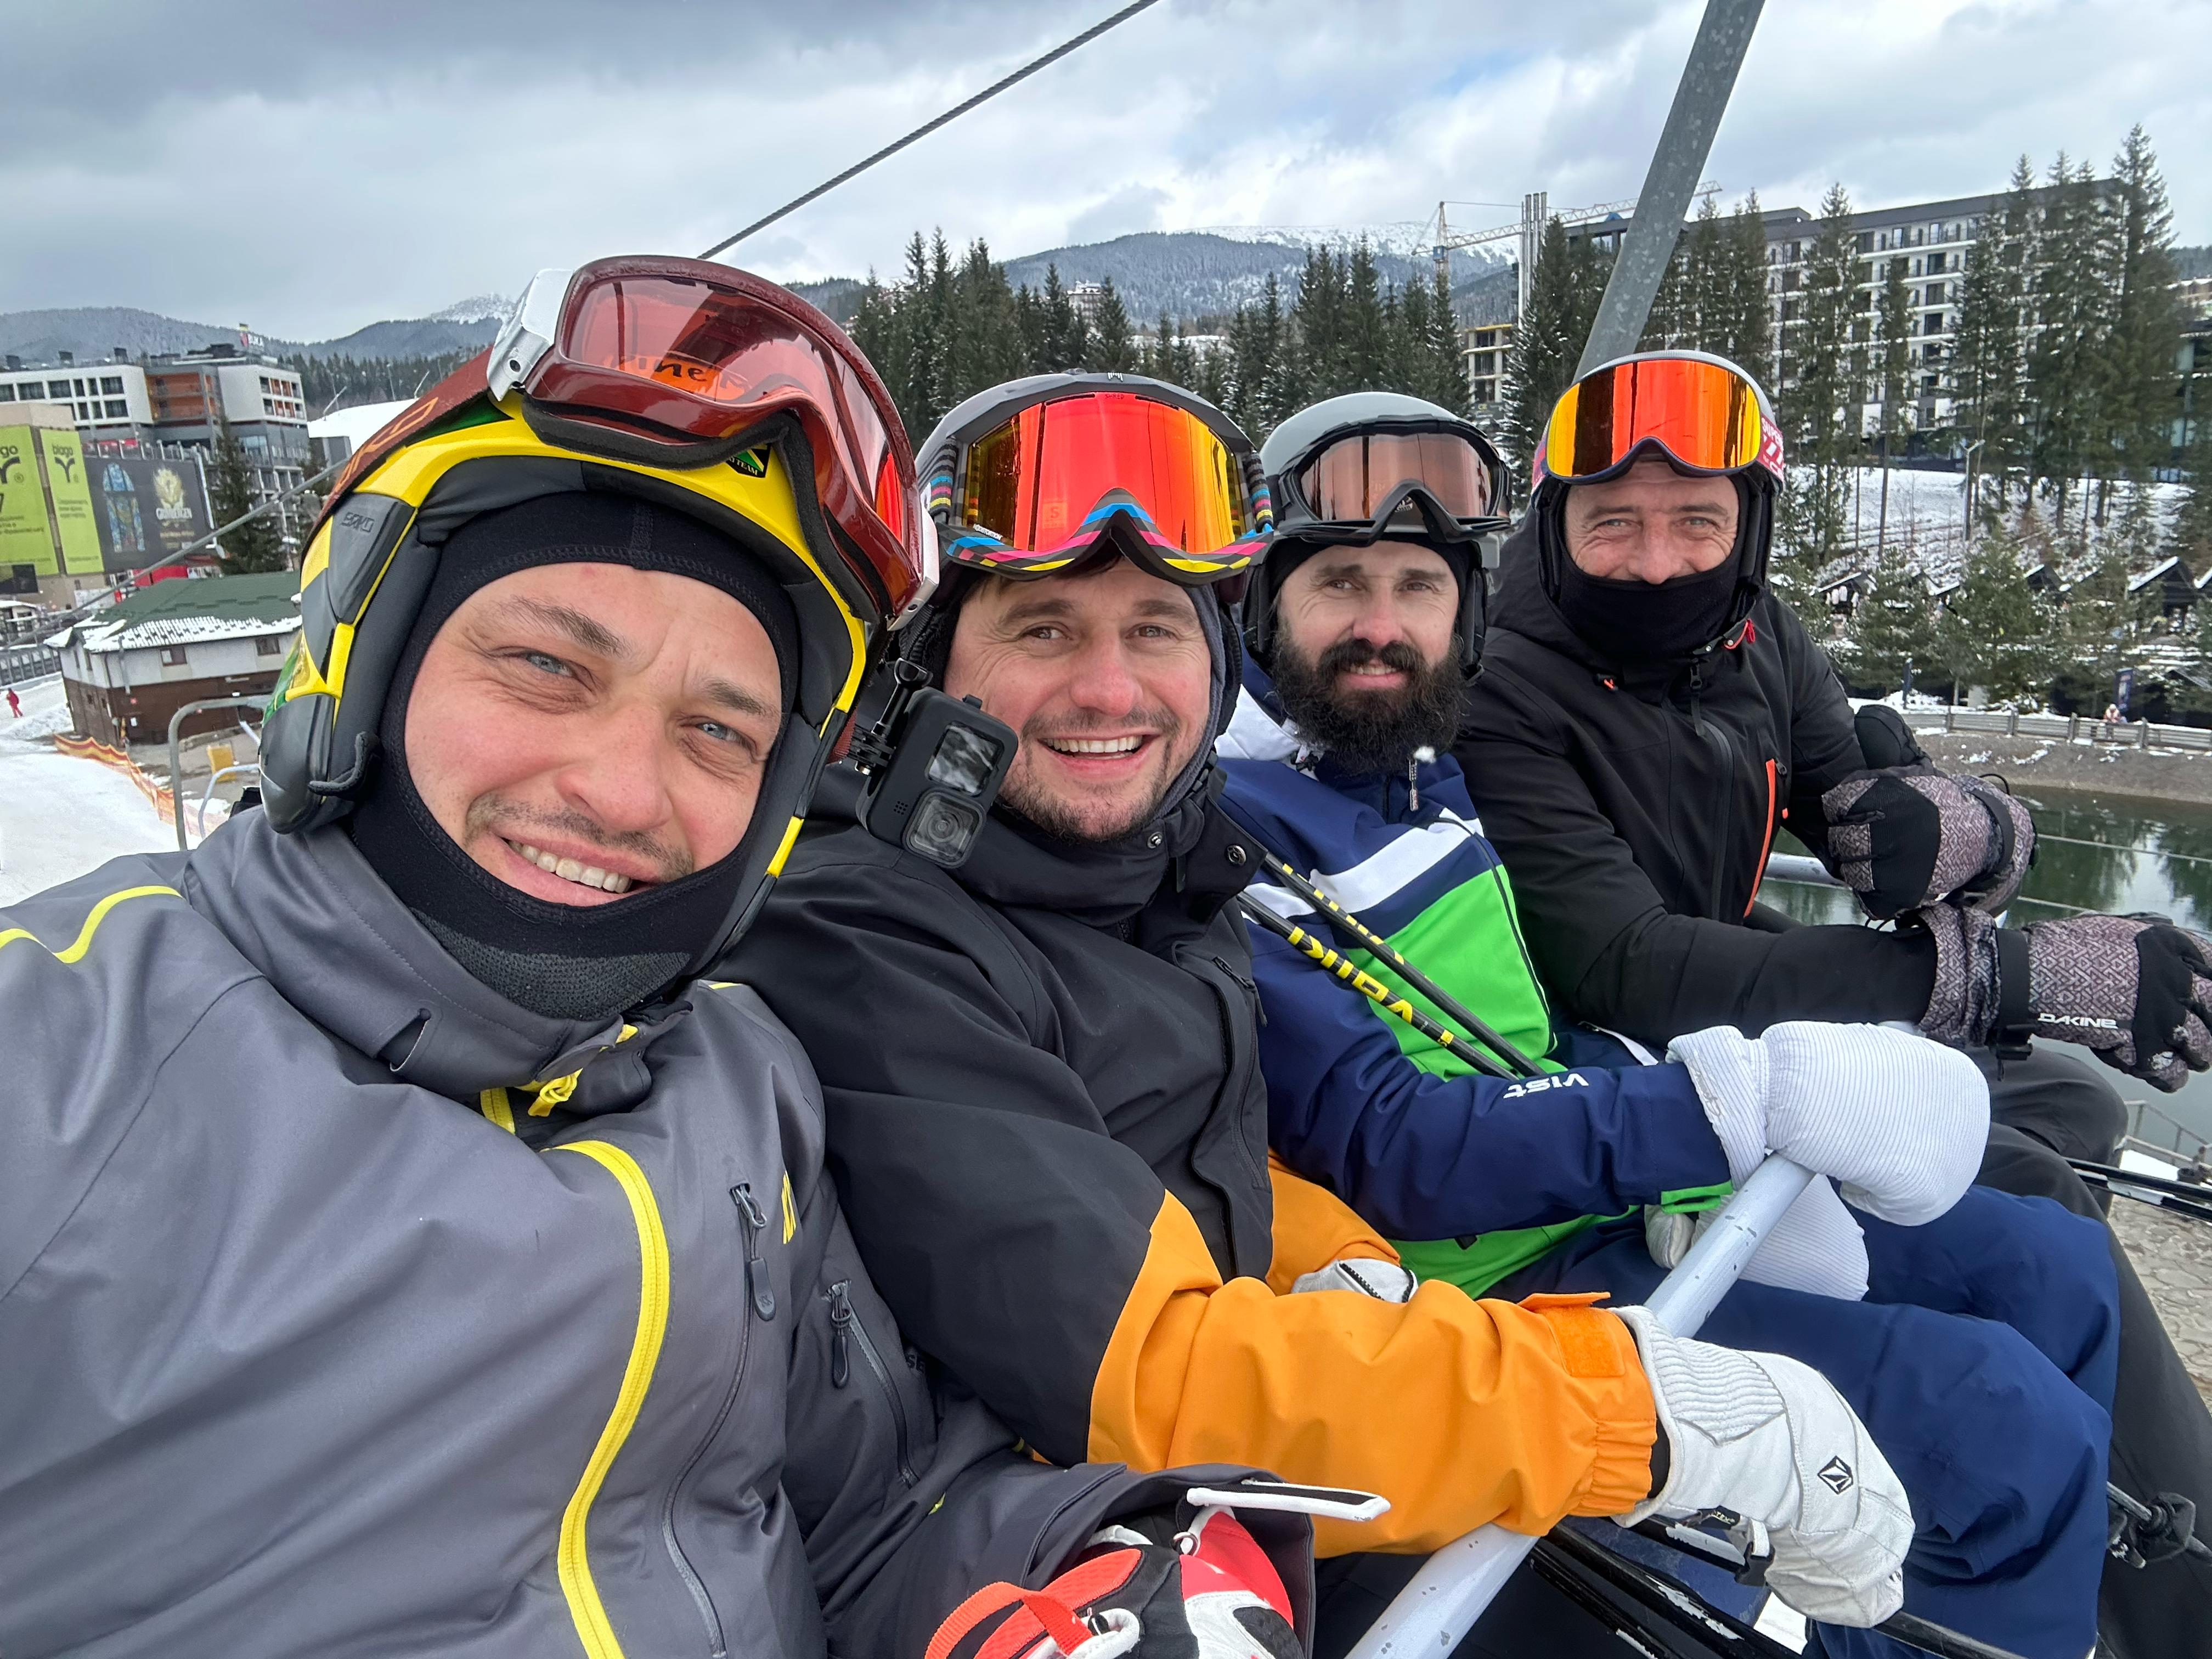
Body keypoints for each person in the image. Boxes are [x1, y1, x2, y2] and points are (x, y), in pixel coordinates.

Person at [0, 265, 1306, 1659]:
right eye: (548, 669)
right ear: (363, 664)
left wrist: (1085, 1572)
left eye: (718, 731)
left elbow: (870, 1525)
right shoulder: (63, 1052)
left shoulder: (738, 1085)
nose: (623, 794)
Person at [726, 372, 1925, 1655]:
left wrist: (1339, 1262)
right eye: (1043, 629)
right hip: (1072, 1539)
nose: (1111, 691)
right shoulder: (873, 939)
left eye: (1155, 628)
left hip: (1256, 1467)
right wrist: (1635, 1407)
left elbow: (1190, 1161)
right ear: (928, 665)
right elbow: (1147, 1372)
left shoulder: (1150, 873)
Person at [1214, 391, 2120, 1659]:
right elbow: (1396, 1139)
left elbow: (1545, 1002)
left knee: (2052, 1268)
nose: (1383, 627)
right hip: (1481, 1283)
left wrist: (1958, 827)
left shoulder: (1422, 759)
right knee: (2006, 1428)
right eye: (1339, 586)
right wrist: (1724, 1110)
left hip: (1595, 1192)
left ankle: (1994, 1589)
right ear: (1264, 602)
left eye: (1419, 587)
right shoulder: (1240, 831)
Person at [1456, 349, 2212, 1651]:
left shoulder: (1758, 637)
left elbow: (1868, 814)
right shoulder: (1501, 687)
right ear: (1554, 524)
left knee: (2072, 1120)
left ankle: (2134, 1573)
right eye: (1613, 522)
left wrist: (1967, 830)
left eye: (1697, 522)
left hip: (1748, 1026)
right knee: (2035, 1185)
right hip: (1642, 1067)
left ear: (1750, 528)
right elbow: (1627, 965)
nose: (1655, 563)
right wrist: (2014, 978)